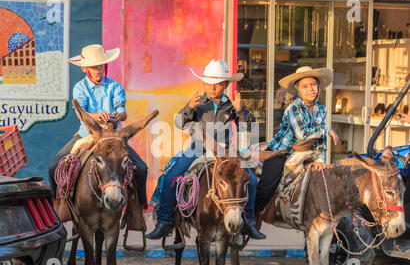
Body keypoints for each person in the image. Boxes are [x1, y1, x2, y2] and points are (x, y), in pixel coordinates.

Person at [145, 59, 266, 240]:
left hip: (226, 152)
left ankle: (247, 222)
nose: (212, 88)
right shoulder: (198, 102)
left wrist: (241, 111)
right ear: (203, 83)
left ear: (225, 84)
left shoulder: (231, 105)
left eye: (217, 84)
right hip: (197, 149)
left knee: (252, 181)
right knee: (170, 176)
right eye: (208, 84)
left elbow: (247, 127)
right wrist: (189, 107)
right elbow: (179, 123)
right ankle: (164, 222)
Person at [48, 44, 149, 210]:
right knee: (53, 166)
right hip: (85, 135)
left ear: (105, 65)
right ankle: (57, 206)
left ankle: (138, 209)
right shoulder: (80, 88)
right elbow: (80, 112)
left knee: (142, 169)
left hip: (112, 138)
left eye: (100, 66)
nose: (98, 70)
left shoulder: (115, 87)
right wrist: (95, 116)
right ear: (85, 68)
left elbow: (122, 111)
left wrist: (118, 115)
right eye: (94, 67)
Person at [254, 66, 341, 212]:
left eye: (314, 85)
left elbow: (320, 141)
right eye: (305, 86)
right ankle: (250, 216)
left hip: (305, 153)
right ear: (298, 90)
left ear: (319, 87)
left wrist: (320, 159)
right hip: (281, 153)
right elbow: (303, 135)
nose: (311, 89)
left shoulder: (322, 109)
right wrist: (327, 129)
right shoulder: (294, 108)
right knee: (267, 187)